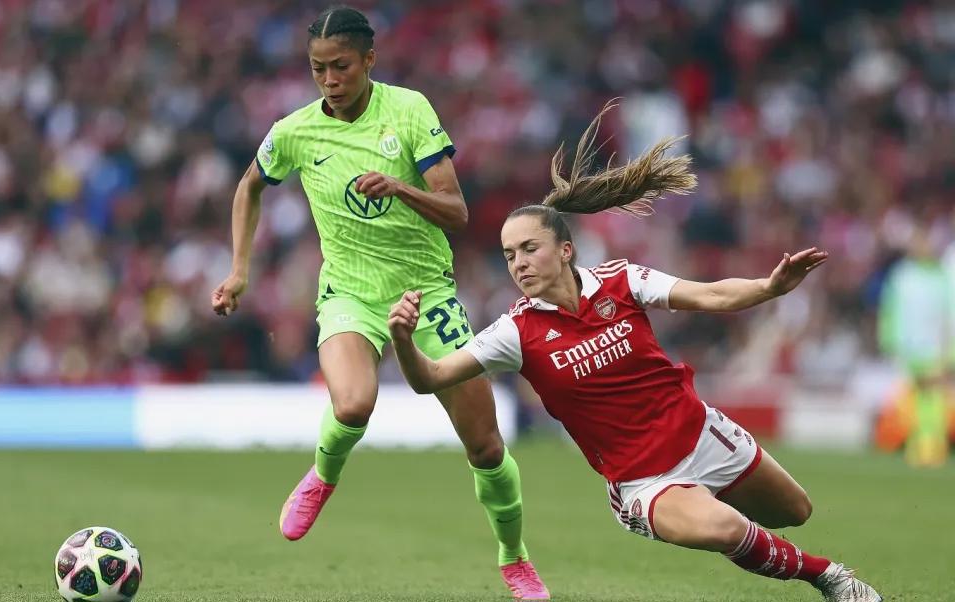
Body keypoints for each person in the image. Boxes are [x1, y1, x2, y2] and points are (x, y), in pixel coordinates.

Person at [387, 102, 882, 602]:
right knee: (727, 530)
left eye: (529, 249)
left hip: (701, 432)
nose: (518, 263)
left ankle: (733, 524)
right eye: (509, 255)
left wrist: (769, 288)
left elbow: (709, 295)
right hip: (645, 480)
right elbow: (430, 378)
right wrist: (405, 342)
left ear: (565, 250)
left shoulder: (622, 280)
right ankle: (830, 577)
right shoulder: (515, 330)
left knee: (795, 512)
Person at [210, 6, 548, 599]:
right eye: (318, 69)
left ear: (369, 59)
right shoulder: (294, 132)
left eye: (340, 66)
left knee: (486, 445)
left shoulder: (410, 111)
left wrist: (398, 185)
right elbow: (250, 185)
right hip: (350, 293)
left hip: (427, 291)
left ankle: (513, 556)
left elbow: (458, 211)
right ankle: (321, 476)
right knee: (354, 402)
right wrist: (239, 270)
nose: (329, 79)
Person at [878, 220, 954, 467]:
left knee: (934, 398)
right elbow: (890, 310)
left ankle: (933, 447)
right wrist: (889, 339)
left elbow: (949, 314)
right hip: (908, 346)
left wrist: (950, 349)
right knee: (912, 398)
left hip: (935, 346)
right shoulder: (901, 276)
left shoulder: (941, 276)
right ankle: (917, 445)